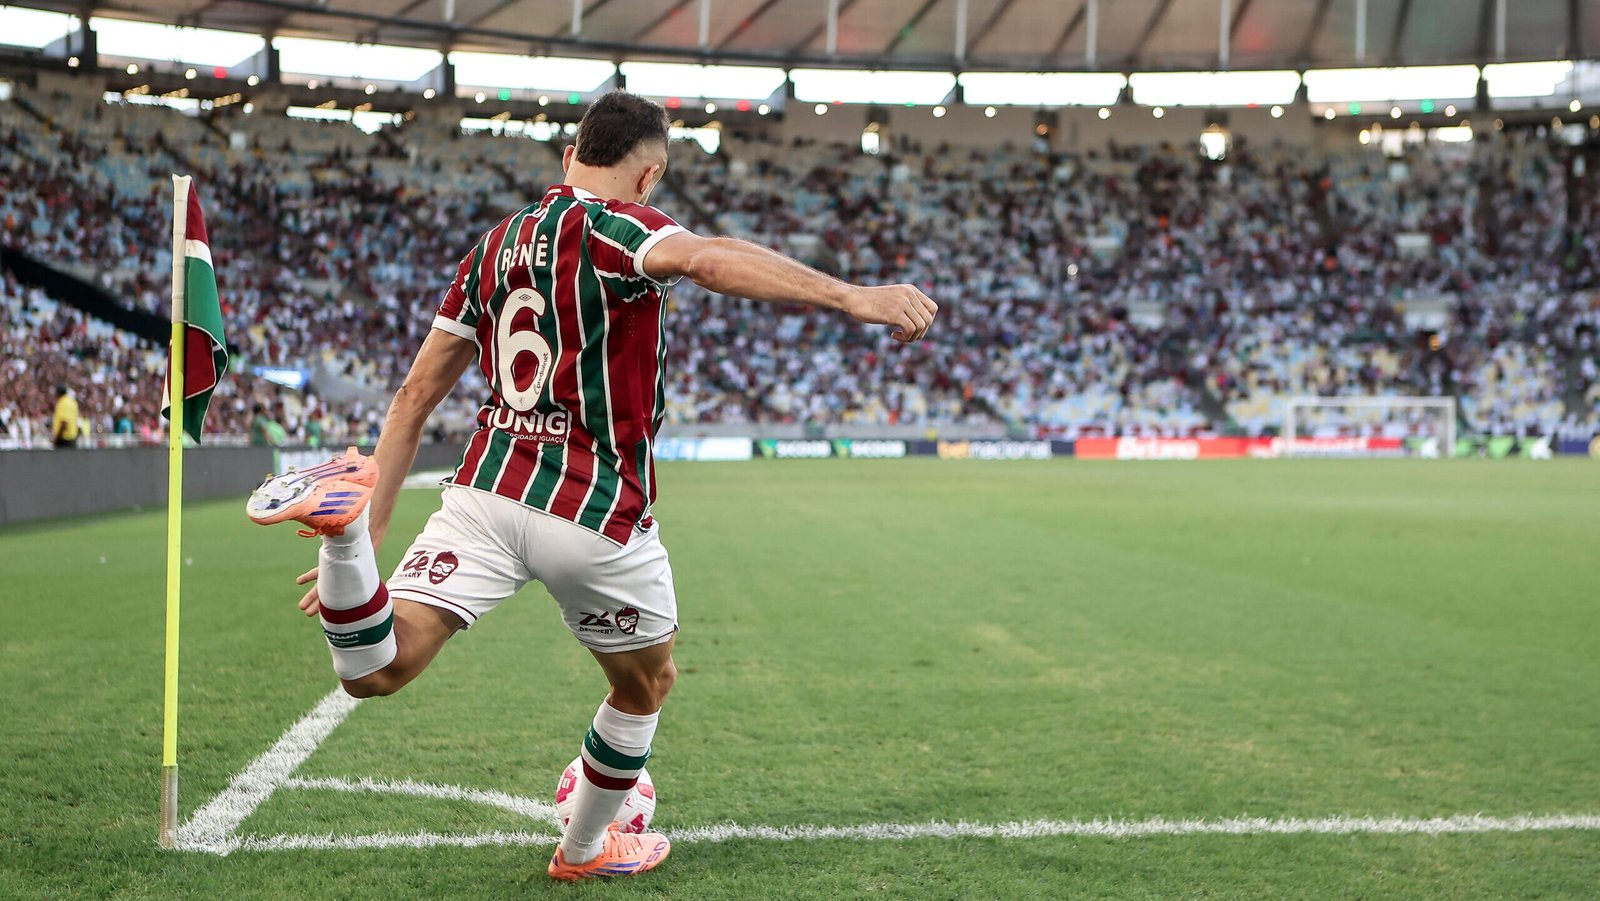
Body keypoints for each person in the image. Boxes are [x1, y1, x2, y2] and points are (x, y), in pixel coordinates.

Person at [246, 90, 936, 881]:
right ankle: (585, 849)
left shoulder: (495, 245)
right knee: (646, 683)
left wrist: (369, 532)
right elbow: (708, 258)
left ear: (568, 157)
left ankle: (338, 542)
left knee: (375, 668)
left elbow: (412, 397)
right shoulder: (622, 228)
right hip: (592, 510)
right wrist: (854, 296)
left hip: (486, 493)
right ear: (649, 179)